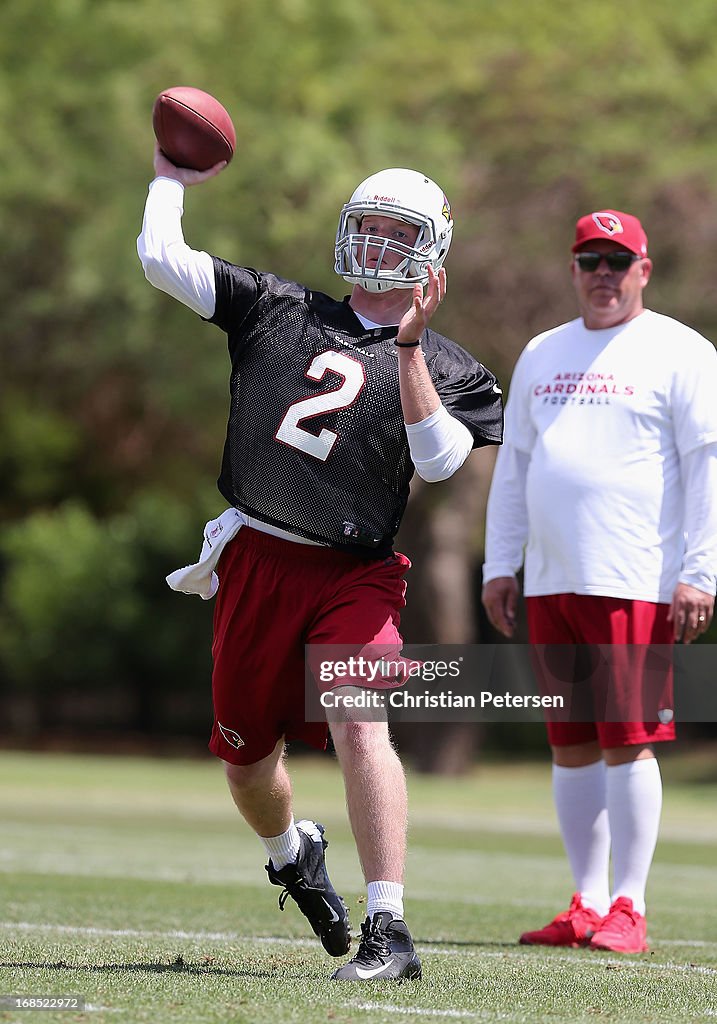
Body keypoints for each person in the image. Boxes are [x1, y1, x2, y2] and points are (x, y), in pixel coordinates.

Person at [137, 147, 503, 981]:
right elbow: (161, 258)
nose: (376, 243)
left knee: (358, 723)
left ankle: (390, 929)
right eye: (365, 225)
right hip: (256, 561)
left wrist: (407, 349)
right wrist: (170, 174)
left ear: (431, 249)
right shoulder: (278, 307)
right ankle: (292, 853)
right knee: (244, 761)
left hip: (354, 573)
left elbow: (442, 463)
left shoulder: (448, 363)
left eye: (395, 232)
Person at [482, 209, 717, 953]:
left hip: (635, 578)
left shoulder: (680, 351)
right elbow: (514, 465)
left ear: (644, 269)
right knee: (571, 744)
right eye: (590, 260)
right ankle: (584, 902)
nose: (603, 275)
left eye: (618, 261)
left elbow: (707, 468)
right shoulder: (540, 352)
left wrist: (699, 571)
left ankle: (629, 906)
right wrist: (498, 563)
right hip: (551, 582)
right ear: (572, 269)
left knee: (628, 741)